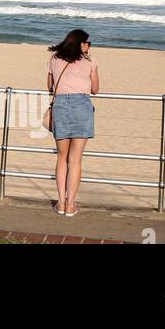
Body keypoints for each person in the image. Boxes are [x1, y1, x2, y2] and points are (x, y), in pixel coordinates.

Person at [47, 28, 98, 217]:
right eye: (88, 43)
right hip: (82, 106)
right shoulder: (90, 61)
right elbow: (96, 88)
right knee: (75, 160)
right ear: (80, 44)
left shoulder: (54, 59)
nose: (89, 46)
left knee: (62, 157)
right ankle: (70, 205)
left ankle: (60, 203)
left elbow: (49, 86)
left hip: (60, 105)